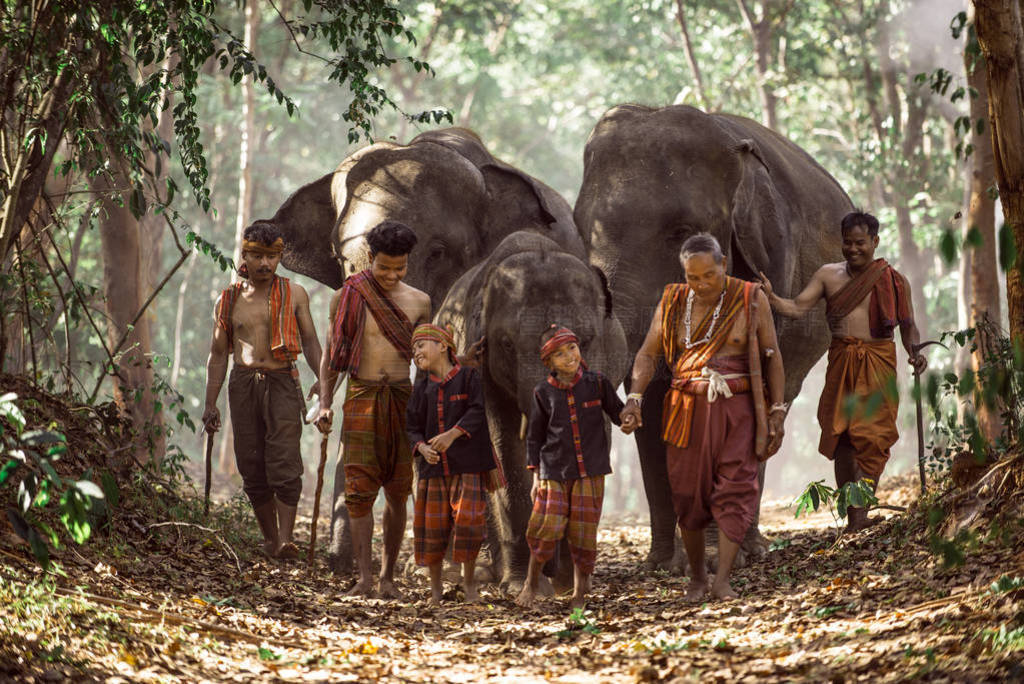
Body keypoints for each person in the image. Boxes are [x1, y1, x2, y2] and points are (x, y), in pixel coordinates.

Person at [621, 234, 786, 601]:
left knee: (736, 490)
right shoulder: (673, 300)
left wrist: (777, 411)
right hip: (686, 409)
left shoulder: (750, 298)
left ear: (723, 264)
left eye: (708, 275)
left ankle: (723, 580)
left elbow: (772, 356)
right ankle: (696, 578)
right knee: (686, 495)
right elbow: (648, 354)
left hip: (737, 410)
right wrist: (634, 397)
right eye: (693, 278)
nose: (701, 284)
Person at [760, 210, 927, 532]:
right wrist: (770, 297)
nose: (853, 249)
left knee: (875, 438)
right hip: (841, 361)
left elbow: (909, 327)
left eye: (860, 243)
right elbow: (796, 307)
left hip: (878, 361)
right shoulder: (827, 275)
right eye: (848, 243)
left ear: (875, 242)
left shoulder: (893, 280)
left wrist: (915, 352)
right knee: (842, 437)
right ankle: (853, 517)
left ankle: (863, 511)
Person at [315, 220, 431, 598]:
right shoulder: (348, 295)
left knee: (399, 490)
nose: (393, 275)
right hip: (361, 395)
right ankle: (364, 577)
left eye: (401, 267)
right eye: (385, 267)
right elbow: (332, 357)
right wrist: (326, 403)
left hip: (403, 398)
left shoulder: (420, 302)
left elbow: (429, 358)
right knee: (359, 490)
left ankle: (387, 578)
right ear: (369, 259)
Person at [202, 223, 322, 559]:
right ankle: (270, 539)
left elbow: (311, 340)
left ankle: (286, 540)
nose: (265, 264)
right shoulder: (228, 300)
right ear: (245, 255)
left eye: (271, 256)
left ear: (281, 256)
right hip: (243, 384)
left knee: (284, 460)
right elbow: (217, 355)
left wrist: (323, 381)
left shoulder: (295, 293)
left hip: (283, 380)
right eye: (257, 256)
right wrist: (211, 404)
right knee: (251, 464)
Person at [515, 325, 633, 611]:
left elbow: (617, 414)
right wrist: (536, 477)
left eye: (572, 348)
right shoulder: (543, 392)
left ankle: (580, 593)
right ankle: (530, 583)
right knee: (546, 528)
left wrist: (629, 417)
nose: (569, 356)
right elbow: (535, 437)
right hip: (553, 471)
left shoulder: (597, 382)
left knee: (583, 532)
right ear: (549, 362)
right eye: (559, 353)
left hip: (591, 470)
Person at [406, 323, 498, 605]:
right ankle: (435, 590)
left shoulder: (469, 377)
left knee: (469, 522)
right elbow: (412, 426)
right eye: (413, 349)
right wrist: (422, 447)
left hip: (467, 465)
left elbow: (477, 411)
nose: (416, 353)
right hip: (433, 470)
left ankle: (469, 585)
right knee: (433, 529)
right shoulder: (421, 387)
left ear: (443, 346)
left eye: (421, 345)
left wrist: (451, 435)